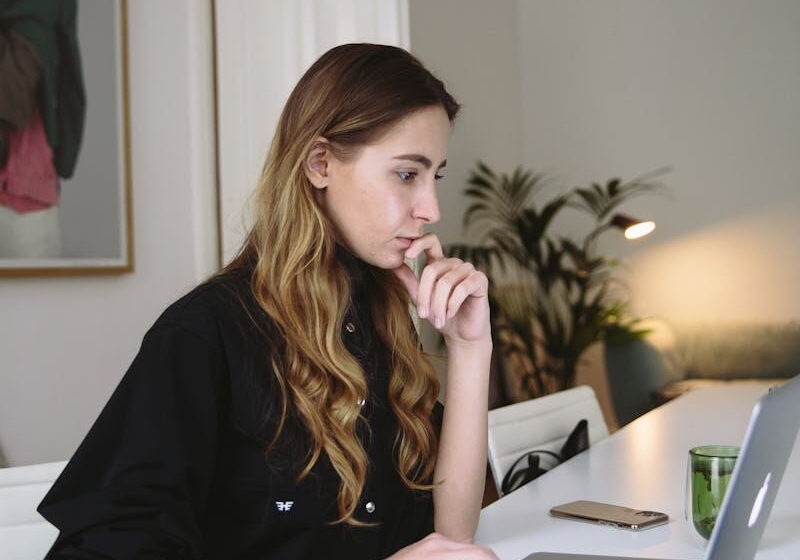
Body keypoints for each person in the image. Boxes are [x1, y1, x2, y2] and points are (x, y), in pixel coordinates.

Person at [39, 43, 497, 560]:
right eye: (406, 174)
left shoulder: (380, 316)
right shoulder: (205, 332)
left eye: (434, 176)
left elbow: (452, 539)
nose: (431, 209)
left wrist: (469, 346)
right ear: (320, 162)